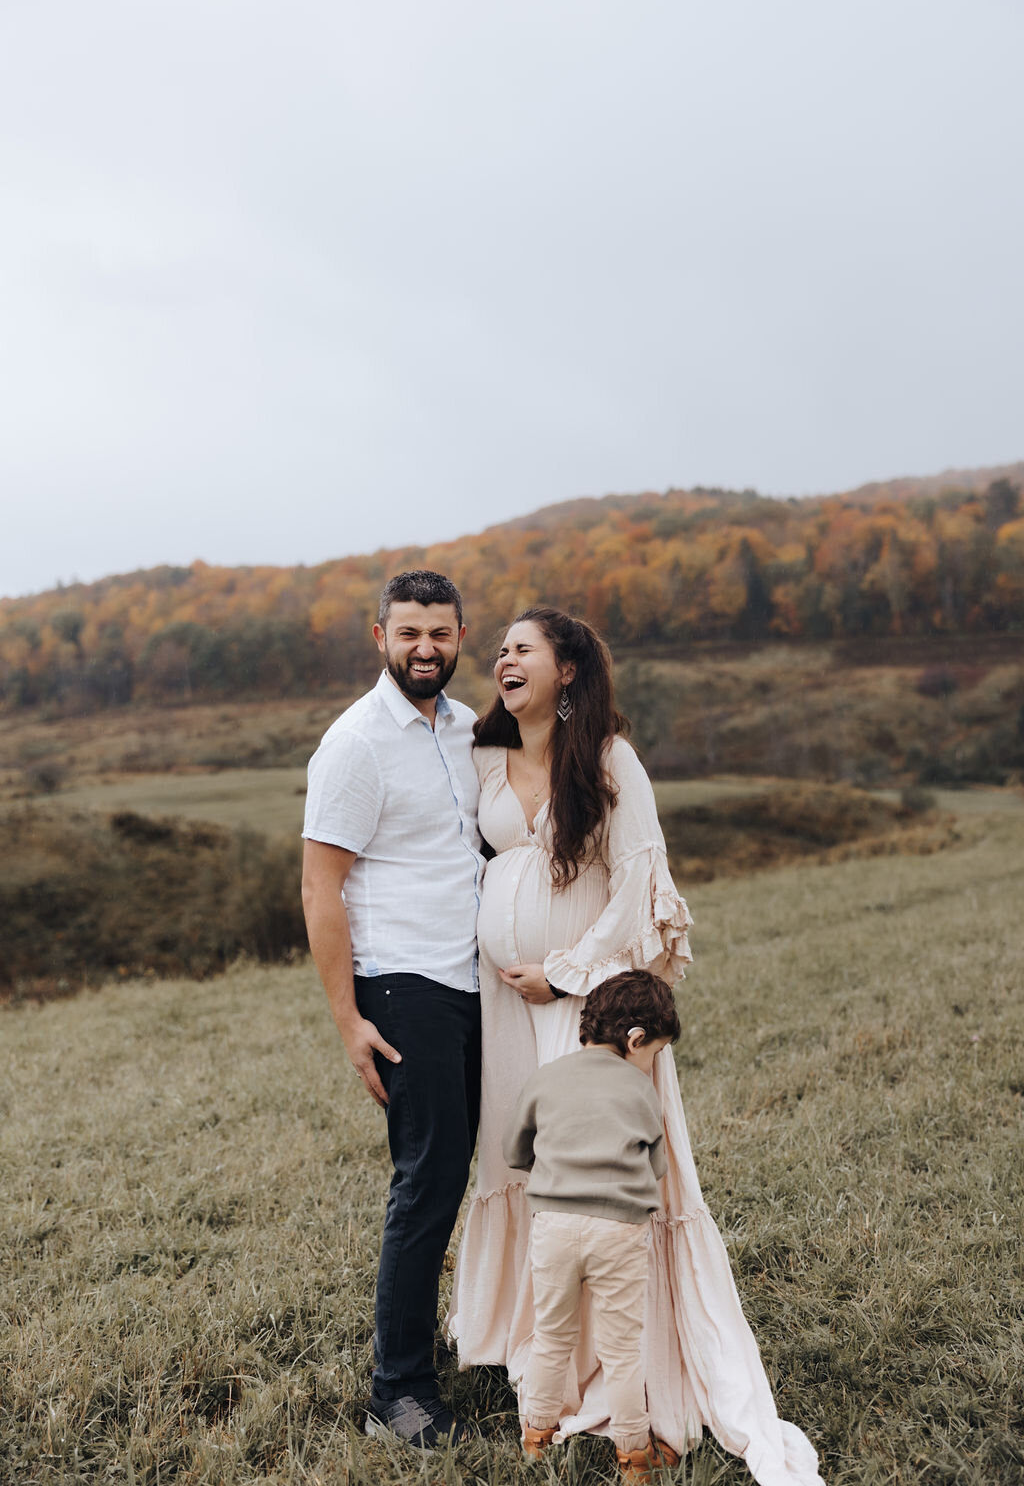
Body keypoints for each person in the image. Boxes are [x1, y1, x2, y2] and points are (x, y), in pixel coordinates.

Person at [447, 606, 825, 1486]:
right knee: (529, 1166)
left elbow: (640, 885)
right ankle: (531, 1347)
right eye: (498, 650)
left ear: (568, 670)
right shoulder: (481, 758)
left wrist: (570, 969)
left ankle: (623, 1366)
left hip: (587, 1004)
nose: (502, 659)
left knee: (603, 1172)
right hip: (507, 1008)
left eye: (522, 649)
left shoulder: (612, 761)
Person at [301, 569, 483, 1451]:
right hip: (404, 987)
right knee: (430, 1178)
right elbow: (319, 886)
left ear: (459, 637)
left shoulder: (468, 730)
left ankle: (487, 1336)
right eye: (409, 633)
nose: (425, 649)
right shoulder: (356, 744)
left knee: (487, 1172)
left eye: (440, 634)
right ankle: (397, 1392)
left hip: (477, 982)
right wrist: (349, 1022)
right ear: (380, 637)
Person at [504, 969, 683, 1483]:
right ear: (635, 1040)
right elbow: (656, 1165)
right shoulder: (640, 1089)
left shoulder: (547, 1077)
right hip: (619, 1230)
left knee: (552, 1337)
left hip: (554, 1225)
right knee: (622, 1350)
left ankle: (535, 1438)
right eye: (655, 1052)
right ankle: (633, 1457)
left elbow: (514, 1151)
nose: (652, 1063)